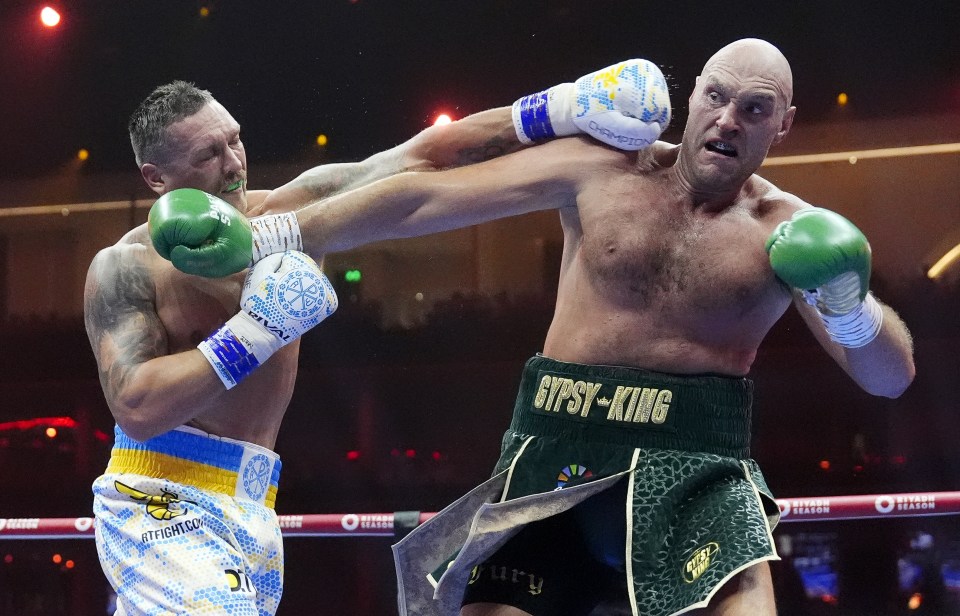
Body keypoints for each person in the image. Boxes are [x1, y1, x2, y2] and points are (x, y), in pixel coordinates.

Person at [151, 39, 915, 615]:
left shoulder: (793, 232)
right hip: (555, 456)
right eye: (716, 96)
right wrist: (275, 237)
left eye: (754, 109)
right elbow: (425, 196)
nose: (727, 120)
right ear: (693, 97)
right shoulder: (601, 168)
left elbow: (889, 376)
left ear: (782, 124)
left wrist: (852, 306)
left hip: (697, 473)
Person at [83, 62, 668, 616]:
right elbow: (136, 405)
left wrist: (561, 108)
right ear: (156, 178)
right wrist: (255, 331)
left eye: (233, 140)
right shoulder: (127, 266)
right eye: (207, 155)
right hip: (160, 495)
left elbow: (418, 158)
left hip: (253, 500)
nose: (234, 164)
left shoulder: (284, 221)